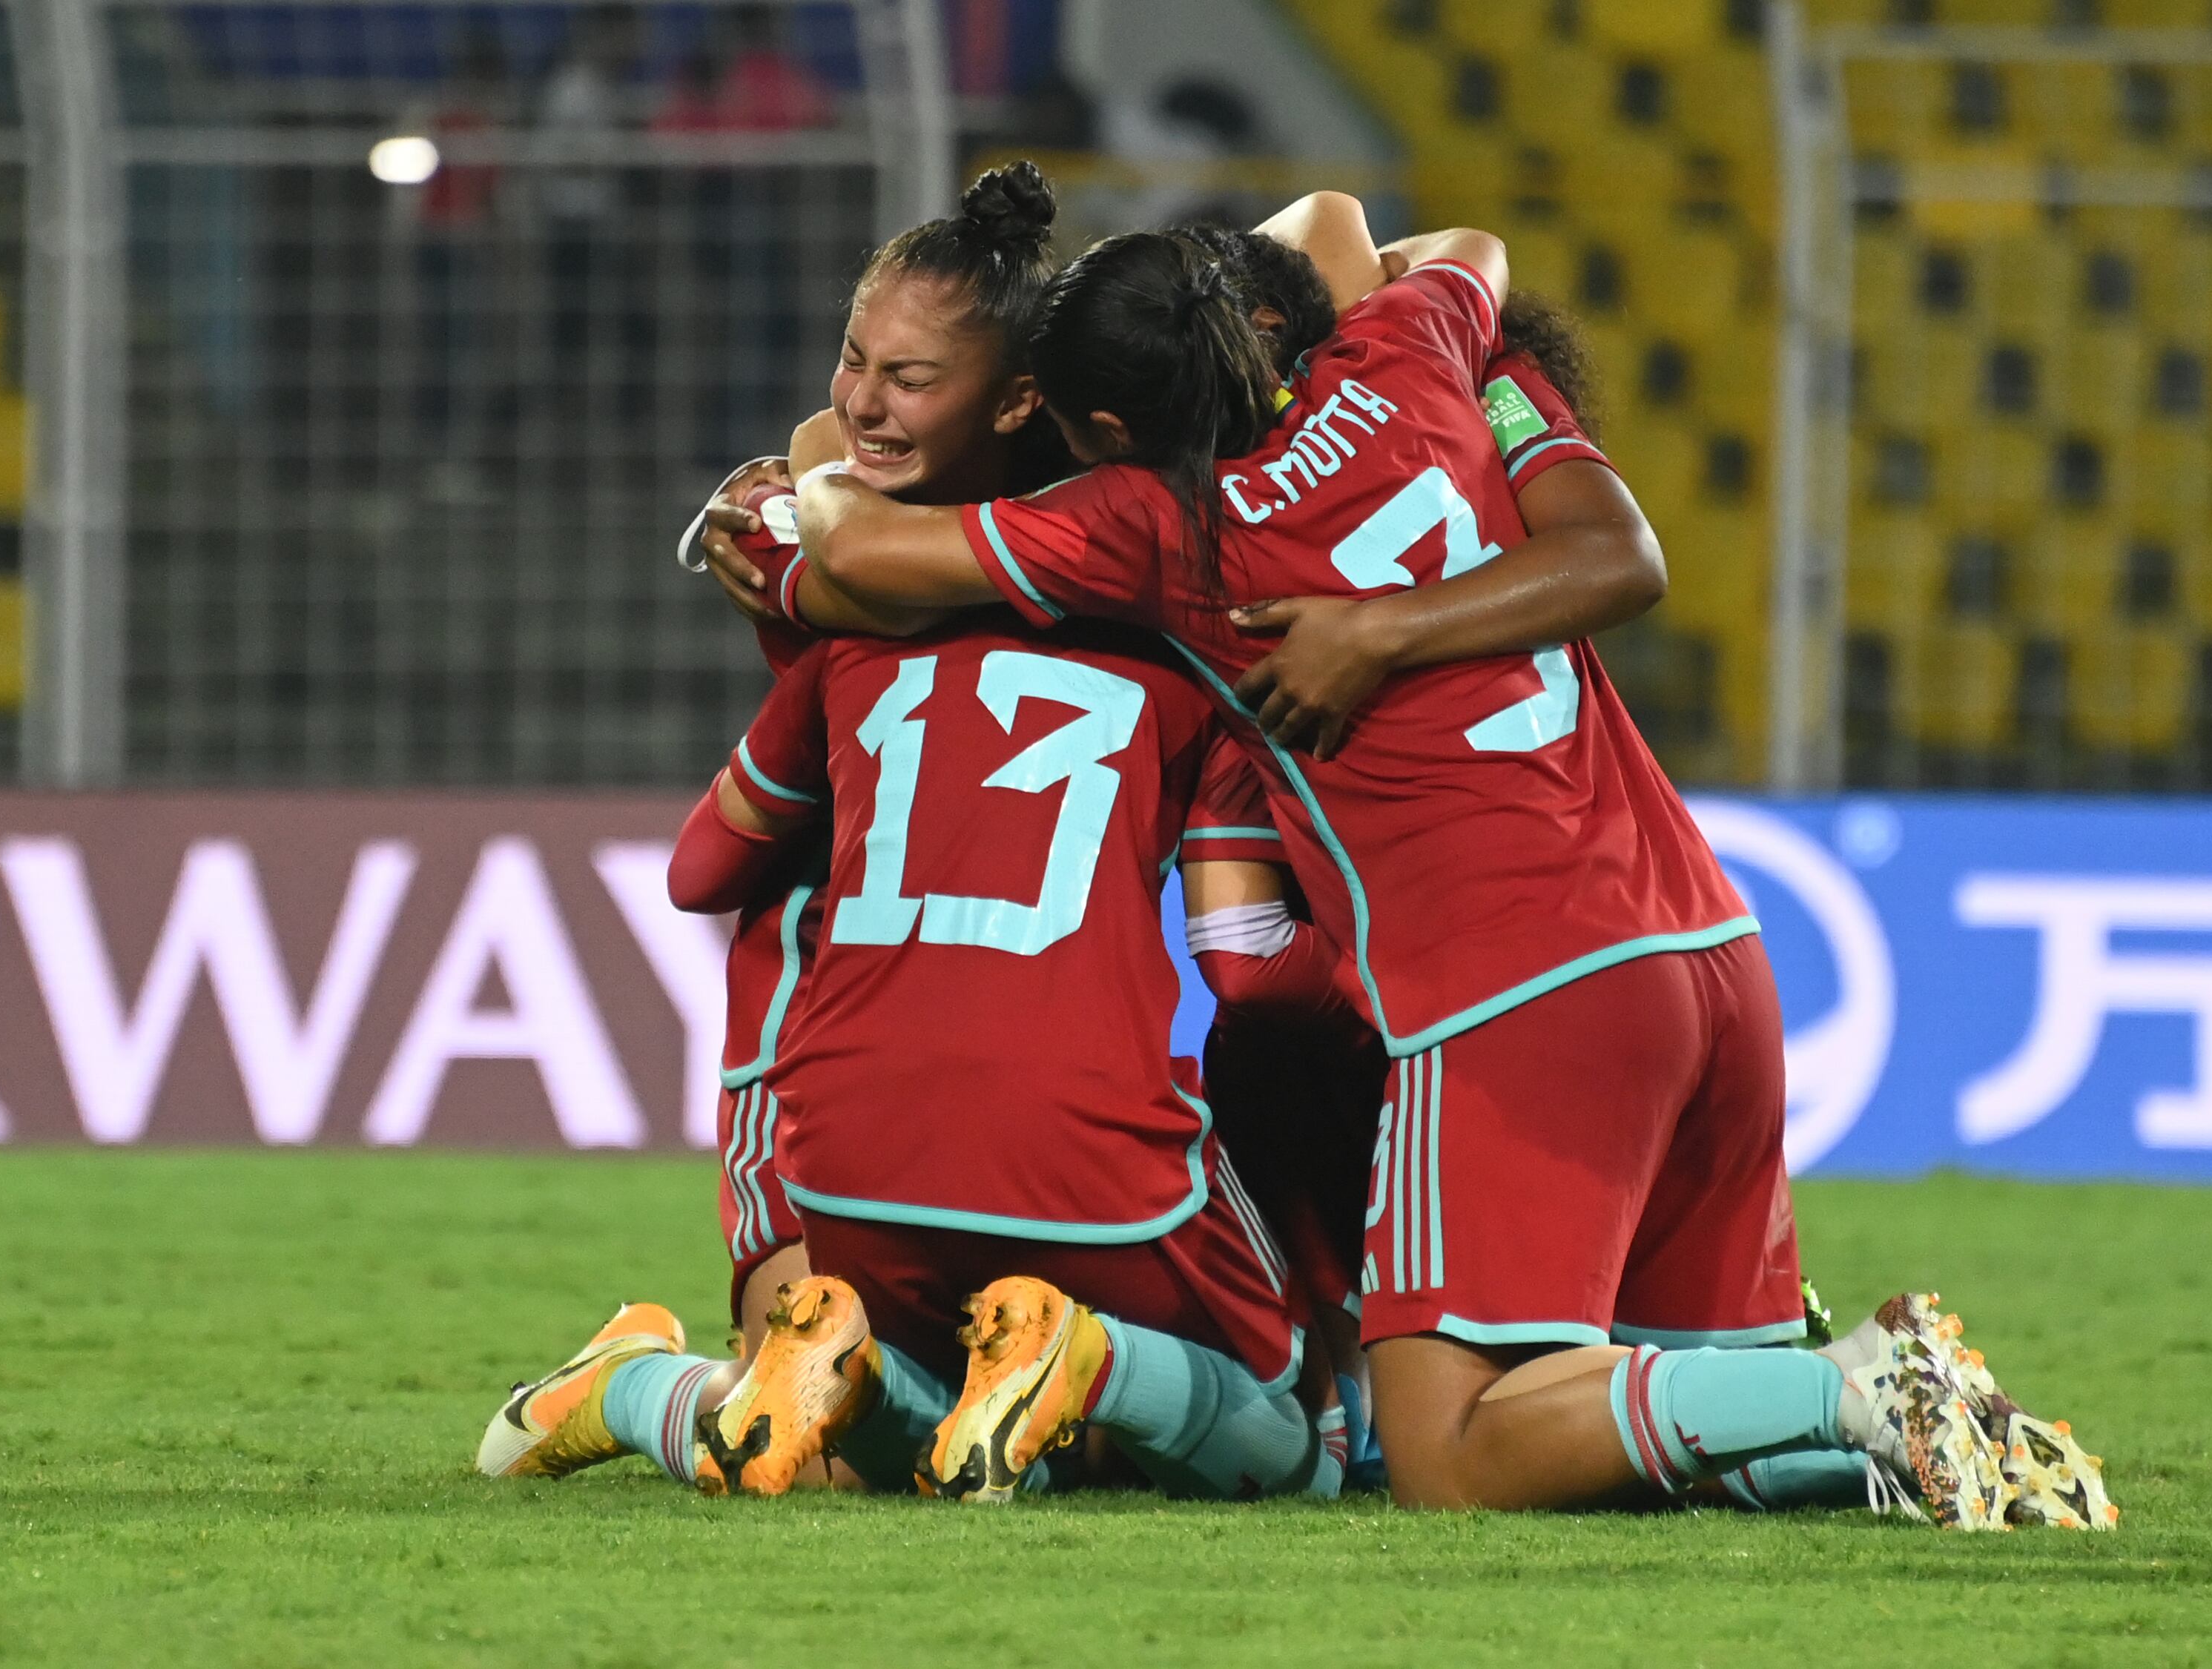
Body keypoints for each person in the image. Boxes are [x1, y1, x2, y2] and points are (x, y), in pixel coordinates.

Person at [745, 192, 2110, 1529]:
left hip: (1512, 990)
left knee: (1441, 1450)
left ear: (1104, 429)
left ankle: (1859, 1387)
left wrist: (786, 481)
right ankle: (1918, 1442)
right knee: (1687, 1434)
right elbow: (1401, 231)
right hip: (1701, 953)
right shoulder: (1405, 358)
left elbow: (854, 541)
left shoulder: (1164, 531)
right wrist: (1493, 403)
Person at [476, 165, 1345, 1507]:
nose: (863, 403)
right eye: (851, 361)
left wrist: (790, 517)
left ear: (1022, 403)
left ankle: (650, 1388)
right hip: (901, 1049)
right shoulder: (1177, 615)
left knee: (862, 1443)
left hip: (840, 1075)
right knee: (1203, 1429)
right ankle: (672, 1383)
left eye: (910, 376)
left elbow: (707, 858)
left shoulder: (834, 577)